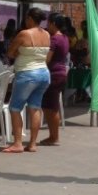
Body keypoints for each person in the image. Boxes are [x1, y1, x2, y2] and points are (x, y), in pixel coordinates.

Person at [3, 8, 51, 153]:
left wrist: (19, 53)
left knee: (15, 108)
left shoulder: (24, 34)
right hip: (44, 73)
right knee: (35, 107)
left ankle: (17, 143)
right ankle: (32, 144)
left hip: (27, 73)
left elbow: (10, 52)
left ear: (29, 18)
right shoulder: (47, 34)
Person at [39, 13, 70, 146]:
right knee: (51, 106)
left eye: (49, 23)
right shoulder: (64, 38)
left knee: (51, 107)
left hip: (53, 74)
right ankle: (53, 135)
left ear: (53, 24)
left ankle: (54, 136)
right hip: (61, 72)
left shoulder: (54, 39)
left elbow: (47, 59)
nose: (47, 26)